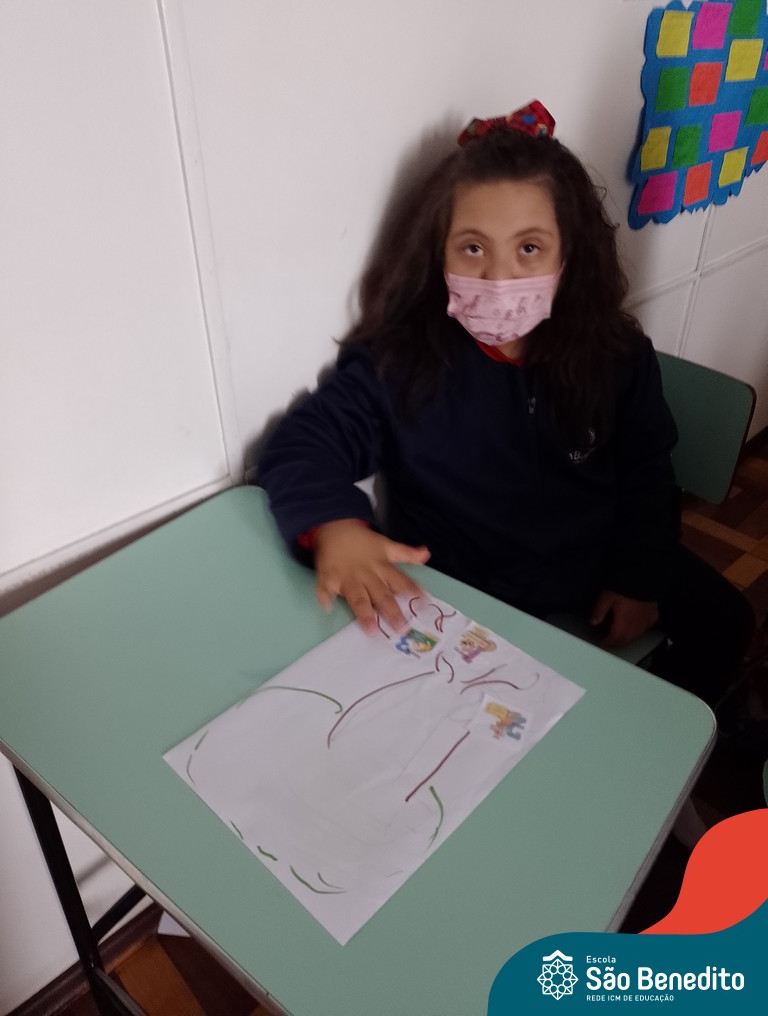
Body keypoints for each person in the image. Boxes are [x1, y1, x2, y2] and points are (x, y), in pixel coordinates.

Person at [257, 101, 754, 710]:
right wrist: (336, 526)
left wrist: (637, 578)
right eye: (472, 248)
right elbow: (304, 443)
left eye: (529, 248)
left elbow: (647, 470)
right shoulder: (400, 361)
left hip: (593, 556)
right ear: (437, 254)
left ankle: (679, 738)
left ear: (567, 254)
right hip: (469, 586)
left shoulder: (616, 354)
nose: (499, 278)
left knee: (726, 621)